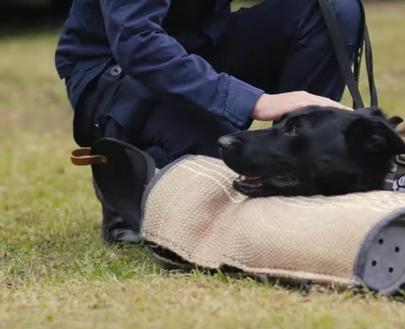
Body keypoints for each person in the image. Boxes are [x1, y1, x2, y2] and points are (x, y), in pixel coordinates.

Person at [55, 0, 364, 244]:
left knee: (332, 10)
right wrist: (256, 101)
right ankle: (128, 178)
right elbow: (136, 40)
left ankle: (297, 176)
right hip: (114, 69)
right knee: (214, 144)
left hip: (198, 47)